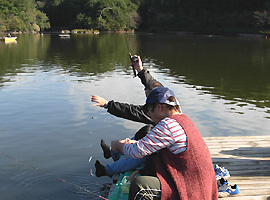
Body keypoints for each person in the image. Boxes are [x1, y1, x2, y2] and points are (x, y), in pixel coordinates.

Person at [111, 87, 218, 200]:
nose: (149, 115)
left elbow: (137, 151)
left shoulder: (168, 125)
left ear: (160, 107)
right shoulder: (183, 119)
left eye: (149, 111)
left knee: (140, 185)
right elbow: (150, 147)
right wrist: (140, 170)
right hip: (201, 185)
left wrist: (118, 144)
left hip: (191, 189)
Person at [91, 55, 162, 126]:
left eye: (147, 95)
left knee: (146, 130)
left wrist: (107, 104)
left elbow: (131, 111)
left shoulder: (156, 113)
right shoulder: (167, 99)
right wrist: (140, 69)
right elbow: (151, 82)